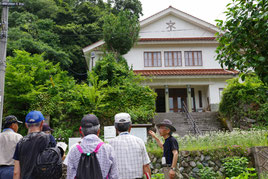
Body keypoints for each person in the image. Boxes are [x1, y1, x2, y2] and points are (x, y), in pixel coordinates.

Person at [67, 114, 118, 179]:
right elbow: (114, 176)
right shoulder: (108, 149)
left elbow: (70, 176)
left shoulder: (74, 150)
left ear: (82, 132)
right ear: (98, 131)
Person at [13, 111, 57, 179]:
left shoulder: (20, 143)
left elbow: (16, 172)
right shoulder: (49, 138)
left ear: (26, 125)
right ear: (42, 123)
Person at [108, 113, 151, 179]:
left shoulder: (110, 144)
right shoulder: (139, 141)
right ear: (130, 127)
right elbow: (146, 166)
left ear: (115, 128)